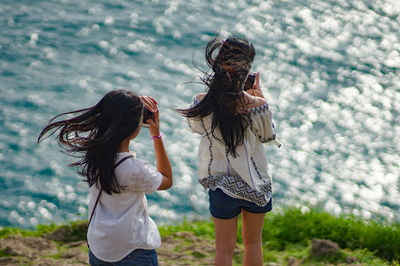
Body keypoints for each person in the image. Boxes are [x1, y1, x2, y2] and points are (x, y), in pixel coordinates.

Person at [38, 89, 172, 266]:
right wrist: (156, 135)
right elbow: (166, 180)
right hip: (131, 251)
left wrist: (129, 104)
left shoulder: (94, 155)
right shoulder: (133, 169)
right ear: (133, 127)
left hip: (100, 247)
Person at [178, 36, 279, 266]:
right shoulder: (257, 106)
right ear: (247, 71)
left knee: (224, 250)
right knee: (253, 244)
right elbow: (268, 137)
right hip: (256, 184)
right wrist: (260, 97)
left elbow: (196, 128)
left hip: (221, 184)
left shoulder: (202, 103)